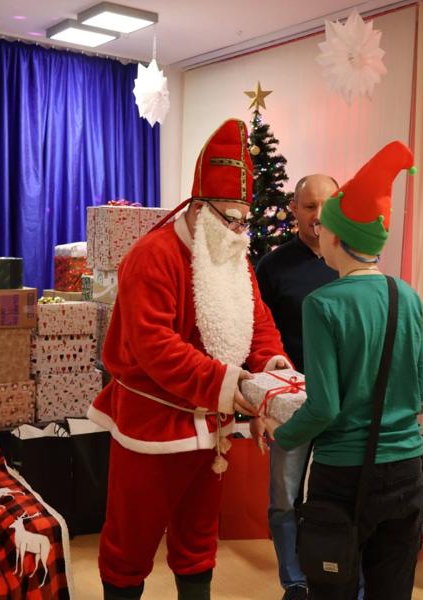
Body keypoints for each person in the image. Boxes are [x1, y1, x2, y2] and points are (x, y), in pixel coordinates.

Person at [88, 118, 291, 600]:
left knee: (199, 538)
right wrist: (229, 385)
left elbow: (258, 322)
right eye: (231, 219)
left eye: (244, 221)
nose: (239, 232)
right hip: (152, 426)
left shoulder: (232, 256)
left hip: (211, 425)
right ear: (199, 208)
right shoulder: (151, 256)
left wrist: (272, 365)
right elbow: (154, 346)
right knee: (131, 540)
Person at [256, 141, 423, 600]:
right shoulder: (407, 296)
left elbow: (325, 406)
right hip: (407, 469)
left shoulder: (322, 303)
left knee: (334, 586)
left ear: (335, 237)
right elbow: (416, 392)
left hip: (345, 474)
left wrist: (282, 433)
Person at [254, 174, 339, 600]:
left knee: (336, 497)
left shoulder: (351, 262)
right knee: (285, 498)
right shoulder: (271, 268)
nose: (318, 215)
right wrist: (261, 404)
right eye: (309, 206)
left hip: (342, 401)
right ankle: (295, 581)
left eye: (327, 205)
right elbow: (256, 335)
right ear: (294, 210)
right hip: (289, 402)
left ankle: (338, 576)